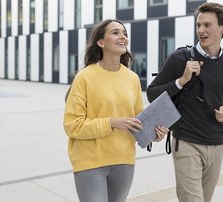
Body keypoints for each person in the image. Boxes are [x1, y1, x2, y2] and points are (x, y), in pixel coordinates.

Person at [147, 2, 223, 202]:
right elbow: (152, 93)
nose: (201, 30)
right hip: (187, 143)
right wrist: (181, 81)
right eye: (198, 25)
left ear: (222, 28)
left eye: (207, 25)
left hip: (218, 144)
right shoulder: (179, 57)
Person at [63, 19, 169, 202]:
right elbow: (72, 125)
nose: (123, 37)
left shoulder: (132, 78)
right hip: (90, 161)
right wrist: (111, 122)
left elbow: (138, 121)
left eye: (124, 33)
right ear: (101, 42)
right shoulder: (85, 77)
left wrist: (154, 133)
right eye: (115, 32)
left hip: (124, 160)